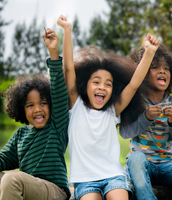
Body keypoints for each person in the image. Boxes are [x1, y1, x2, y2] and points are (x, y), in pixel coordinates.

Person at [57, 14, 159, 200]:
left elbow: (134, 84)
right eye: (96, 82)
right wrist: (67, 30)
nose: (102, 87)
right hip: (85, 180)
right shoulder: (76, 105)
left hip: (113, 176)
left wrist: (149, 53)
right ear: (84, 85)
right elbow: (69, 68)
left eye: (108, 84)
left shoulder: (113, 110)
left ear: (113, 90)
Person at [0, 28, 71, 200]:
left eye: (43, 103)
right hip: (25, 188)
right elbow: (0, 159)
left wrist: (53, 51)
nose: (37, 109)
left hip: (54, 191)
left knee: (12, 178)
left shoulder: (56, 126)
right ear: (22, 109)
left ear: (51, 106)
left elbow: (59, 89)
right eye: (30, 105)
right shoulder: (21, 135)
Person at [119, 44, 172, 200]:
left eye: (167, 69)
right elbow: (125, 133)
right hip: (141, 163)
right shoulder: (135, 101)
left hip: (167, 165)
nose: (162, 71)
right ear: (143, 73)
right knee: (136, 158)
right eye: (155, 67)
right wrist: (145, 117)